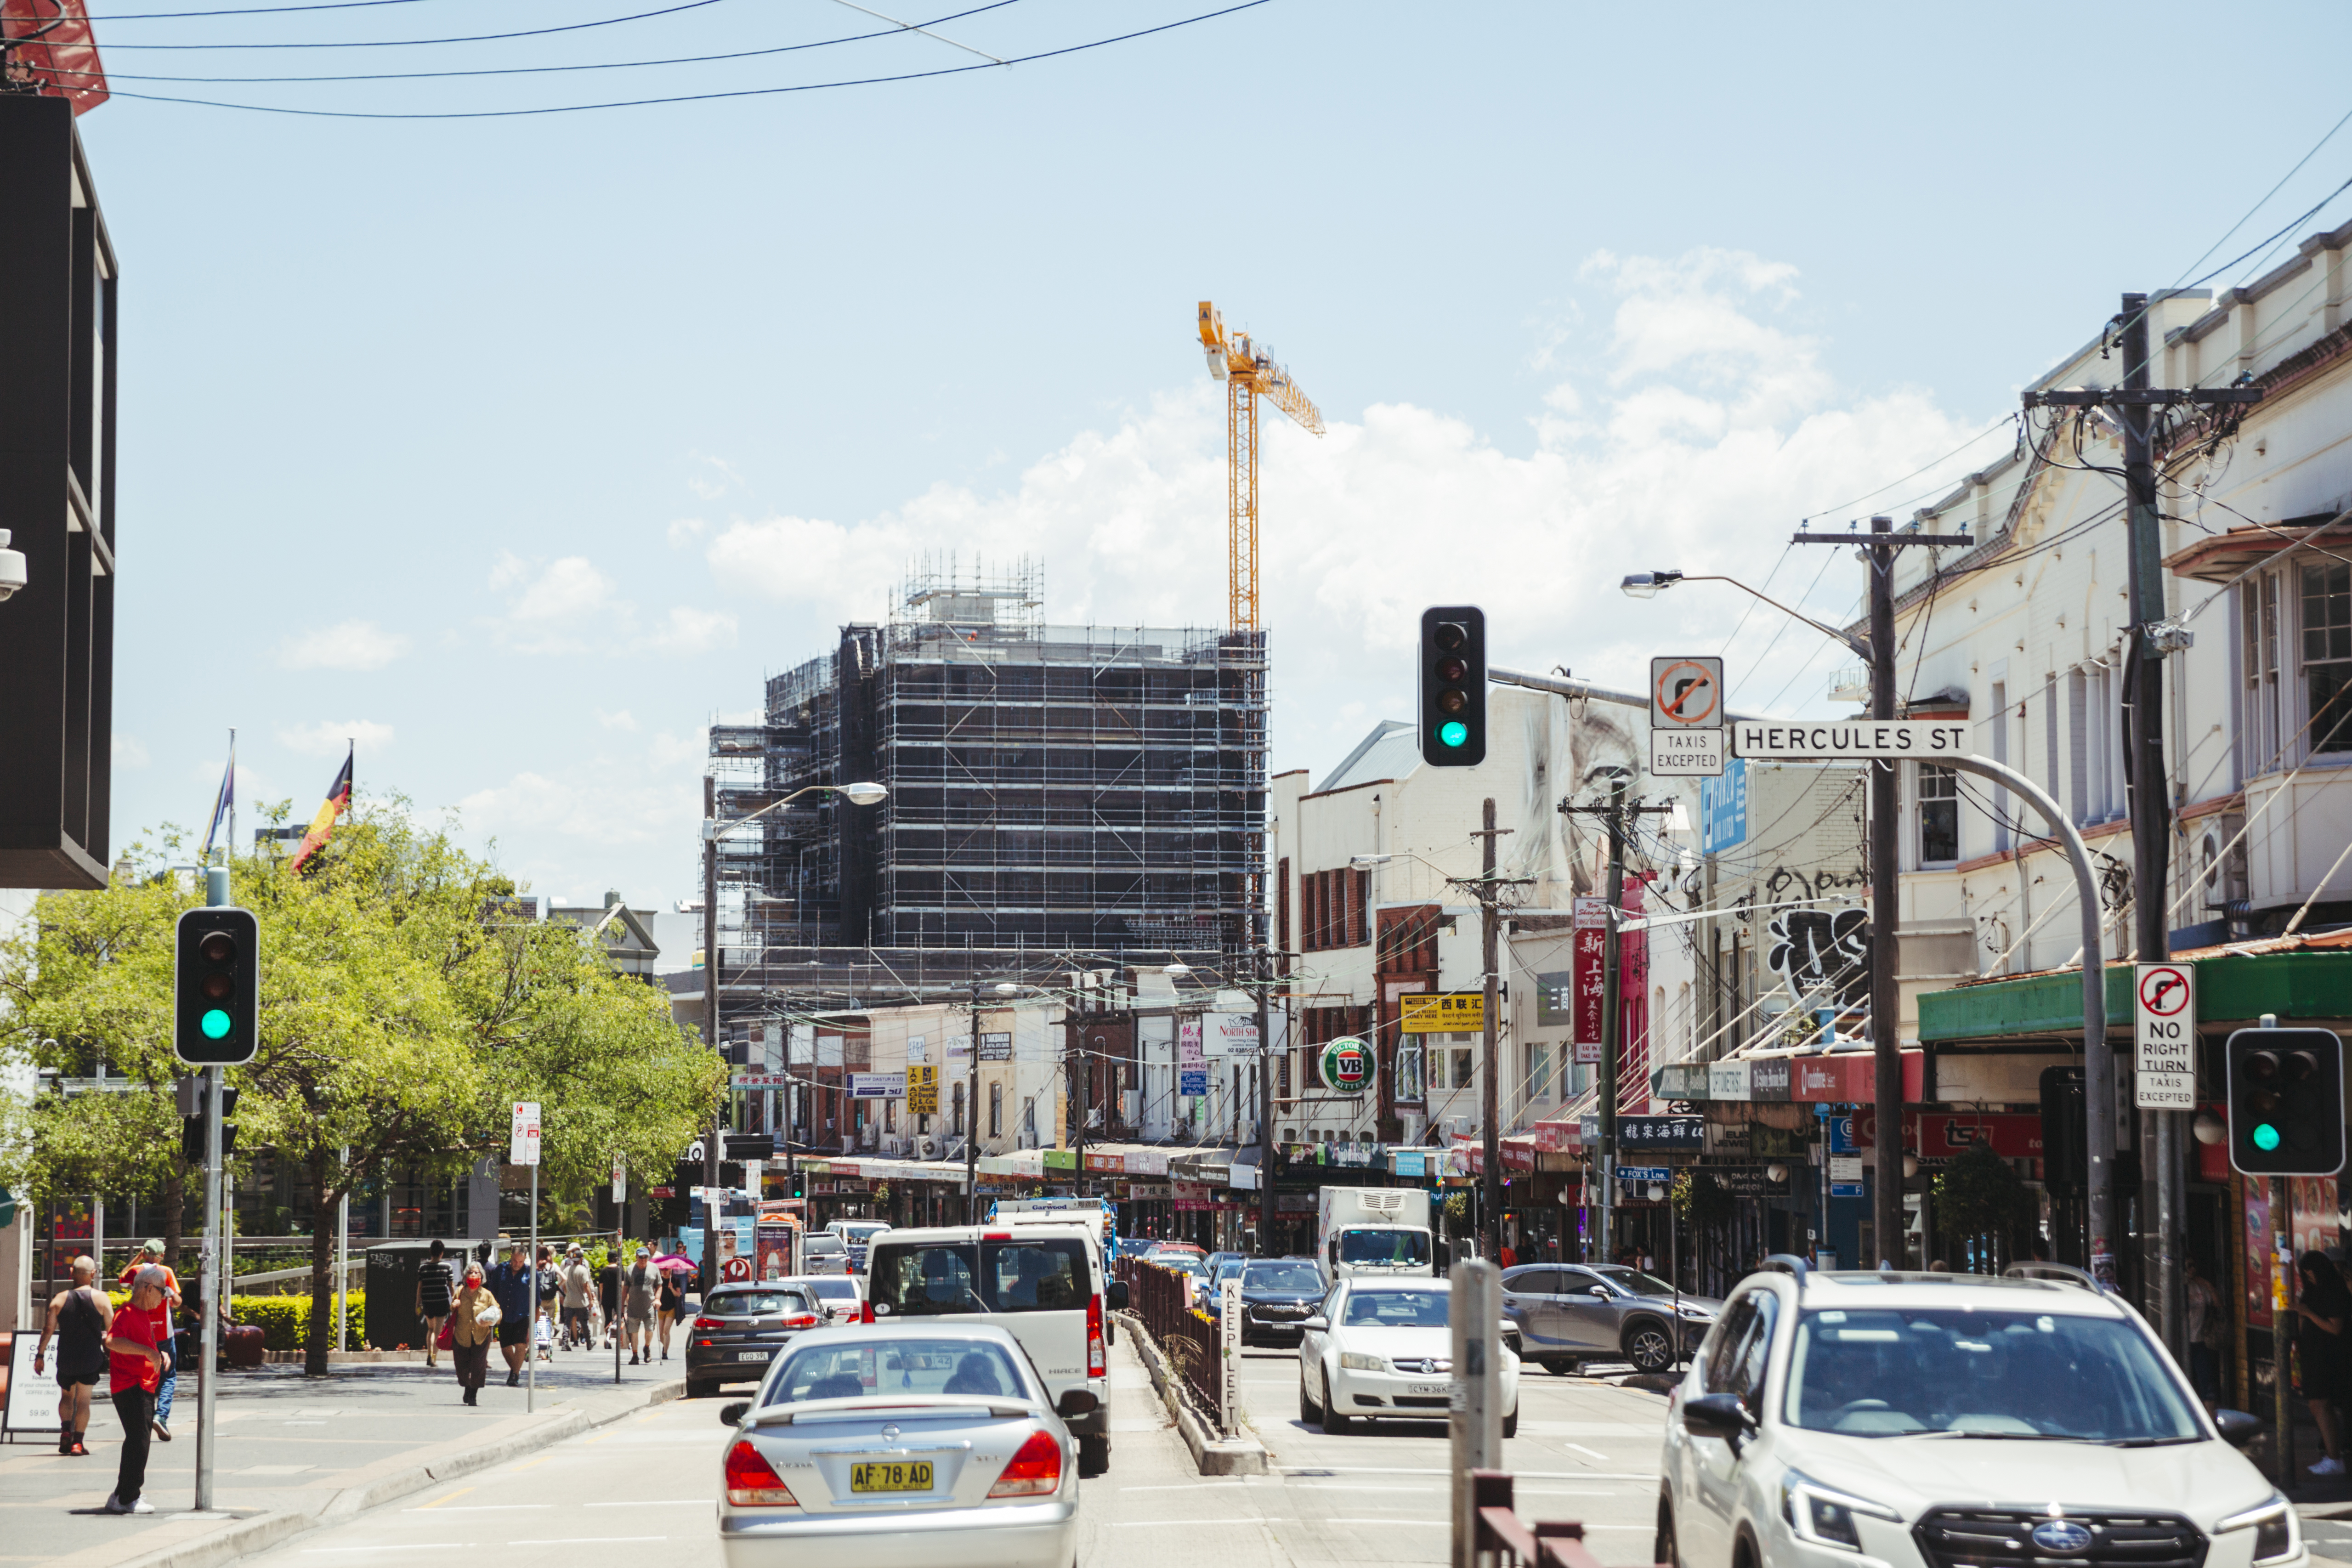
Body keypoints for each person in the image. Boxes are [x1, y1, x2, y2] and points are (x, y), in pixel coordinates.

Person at [101, 1267, 170, 1514]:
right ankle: (129, 1498)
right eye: (162, 1292)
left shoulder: (140, 1314)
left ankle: (122, 1494)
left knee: (137, 1440)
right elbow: (111, 1342)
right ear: (148, 1288)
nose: (163, 1298)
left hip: (139, 1386)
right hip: (131, 1386)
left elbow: (140, 1345)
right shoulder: (127, 1312)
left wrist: (158, 1353)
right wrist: (149, 1352)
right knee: (139, 1442)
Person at [33, 1255, 111, 1456]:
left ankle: (65, 1431)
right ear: (93, 1274)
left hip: (66, 1357)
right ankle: (78, 1443)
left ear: (71, 1272)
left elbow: (47, 1330)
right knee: (84, 1400)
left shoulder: (59, 1299)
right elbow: (113, 1332)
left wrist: (40, 1356)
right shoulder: (102, 1299)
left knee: (67, 1397)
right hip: (90, 1357)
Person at [117, 1240, 179, 1442]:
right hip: (164, 1334)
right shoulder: (166, 1272)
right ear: (161, 1254)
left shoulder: (136, 1271)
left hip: (142, 1331)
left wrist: (137, 1257)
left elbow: (121, 1279)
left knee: (144, 1373)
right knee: (168, 1377)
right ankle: (161, 1415)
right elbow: (177, 1301)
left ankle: (145, 1416)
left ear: (145, 1253)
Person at [2299, 1251, 2352, 1477]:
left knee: (2321, 1403)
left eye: (2312, 1274)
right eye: (2306, 1276)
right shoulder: (2313, 1291)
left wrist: (2307, 1314)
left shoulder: (2334, 1290)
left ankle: (2334, 1457)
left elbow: (2335, 1327)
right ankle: (2332, 1453)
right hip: (2312, 1354)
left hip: (2329, 1356)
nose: (2310, 1279)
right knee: (2318, 1403)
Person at [486, 1240, 536, 1388]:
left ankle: (514, 1375)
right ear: (510, 1257)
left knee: (521, 1345)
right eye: (515, 1260)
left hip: (522, 1313)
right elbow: (492, 1291)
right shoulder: (500, 1269)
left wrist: (537, 1312)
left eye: (520, 1261)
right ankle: (516, 1371)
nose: (517, 1264)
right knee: (505, 1346)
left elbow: (536, 1297)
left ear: (525, 1259)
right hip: (504, 1314)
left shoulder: (530, 1273)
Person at [448, 1261, 499, 1406]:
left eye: (477, 1273)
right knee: (461, 1369)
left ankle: (473, 1396)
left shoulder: (487, 1295)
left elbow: (497, 1311)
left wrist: (490, 1320)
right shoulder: (461, 1291)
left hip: (481, 1337)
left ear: (482, 1276)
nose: (474, 1275)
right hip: (462, 1336)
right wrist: (454, 1306)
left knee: (479, 1367)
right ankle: (468, 1386)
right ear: (466, 1276)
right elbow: (452, 1309)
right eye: (471, 1273)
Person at [2185, 1255, 2226, 1408]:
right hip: (2184, 1341)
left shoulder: (2200, 1286)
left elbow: (2219, 1304)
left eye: (2193, 1265)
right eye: (2188, 1266)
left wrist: (2208, 1286)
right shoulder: (2177, 1285)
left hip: (2201, 1340)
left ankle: (2211, 1422)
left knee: (2207, 1383)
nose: (2191, 1269)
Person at [415, 1240, 455, 1369]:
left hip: (428, 1303)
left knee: (431, 1329)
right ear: (442, 1253)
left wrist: (418, 1304)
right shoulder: (447, 1267)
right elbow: (451, 1286)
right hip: (442, 1302)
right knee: (438, 1331)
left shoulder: (423, 1268)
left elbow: (420, 1287)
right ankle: (433, 1357)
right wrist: (455, 1301)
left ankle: (428, 1354)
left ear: (430, 1252)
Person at [623, 1247, 660, 1365]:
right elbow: (625, 1288)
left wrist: (658, 1299)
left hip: (649, 1306)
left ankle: (647, 1348)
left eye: (646, 1257)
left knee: (650, 1330)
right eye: (641, 1257)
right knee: (633, 1332)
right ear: (636, 1257)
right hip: (633, 1307)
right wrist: (622, 1304)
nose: (643, 1260)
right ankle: (635, 1355)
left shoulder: (654, 1268)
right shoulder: (630, 1269)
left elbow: (659, 1285)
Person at [561, 1245, 594, 1350]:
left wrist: (568, 1294)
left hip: (569, 1301)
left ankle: (565, 1343)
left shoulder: (566, 1270)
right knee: (584, 1323)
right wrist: (591, 1299)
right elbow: (586, 1286)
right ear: (581, 1259)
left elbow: (564, 1286)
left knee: (567, 1323)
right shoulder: (583, 1270)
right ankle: (589, 1343)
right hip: (581, 1302)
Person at [657, 1258, 686, 1361]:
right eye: (663, 1269)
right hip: (661, 1308)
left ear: (670, 1270)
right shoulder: (659, 1281)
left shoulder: (675, 1280)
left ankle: (665, 1353)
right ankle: (665, 1345)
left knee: (666, 1330)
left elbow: (678, 1295)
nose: (664, 1271)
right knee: (660, 1333)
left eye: (667, 1269)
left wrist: (672, 1288)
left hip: (671, 1308)